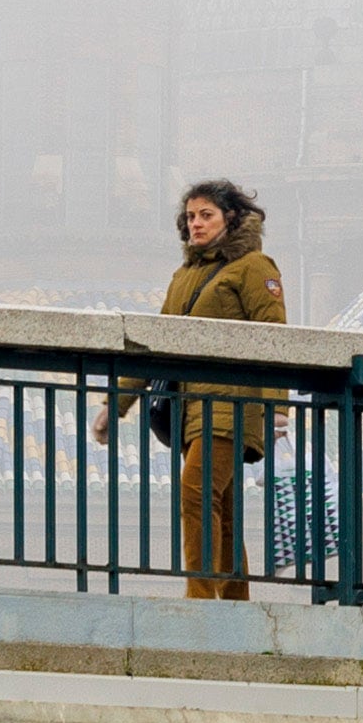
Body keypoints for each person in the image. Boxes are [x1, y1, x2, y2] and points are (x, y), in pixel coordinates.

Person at [89, 180, 286, 599]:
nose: (196, 224)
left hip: (233, 403)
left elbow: (274, 338)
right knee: (224, 509)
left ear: (231, 218)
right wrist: (116, 404)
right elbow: (158, 343)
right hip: (192, 407)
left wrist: (278, 405)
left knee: (195, 492)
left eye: (206, 215)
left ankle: (199, 596)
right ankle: (235, 603)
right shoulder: (185, 276)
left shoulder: (255, 267)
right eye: (191, 217)